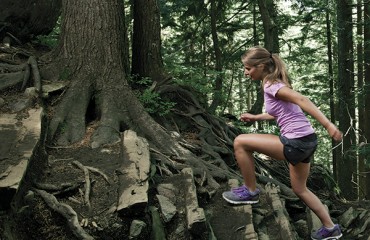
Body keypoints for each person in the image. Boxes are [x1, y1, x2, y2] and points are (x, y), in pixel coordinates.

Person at [222, 46, 343, 240]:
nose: (245, 73)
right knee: (300, 189)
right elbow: (276, 112)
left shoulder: (272, 85)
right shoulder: (273, 83)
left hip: (295, 142)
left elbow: (302, 99)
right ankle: (331, 228)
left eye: (248, 68)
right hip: (307, 141)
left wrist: (328, 125)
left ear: (261, 66)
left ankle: (250, 191)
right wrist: (255, 117)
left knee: (240, 142)